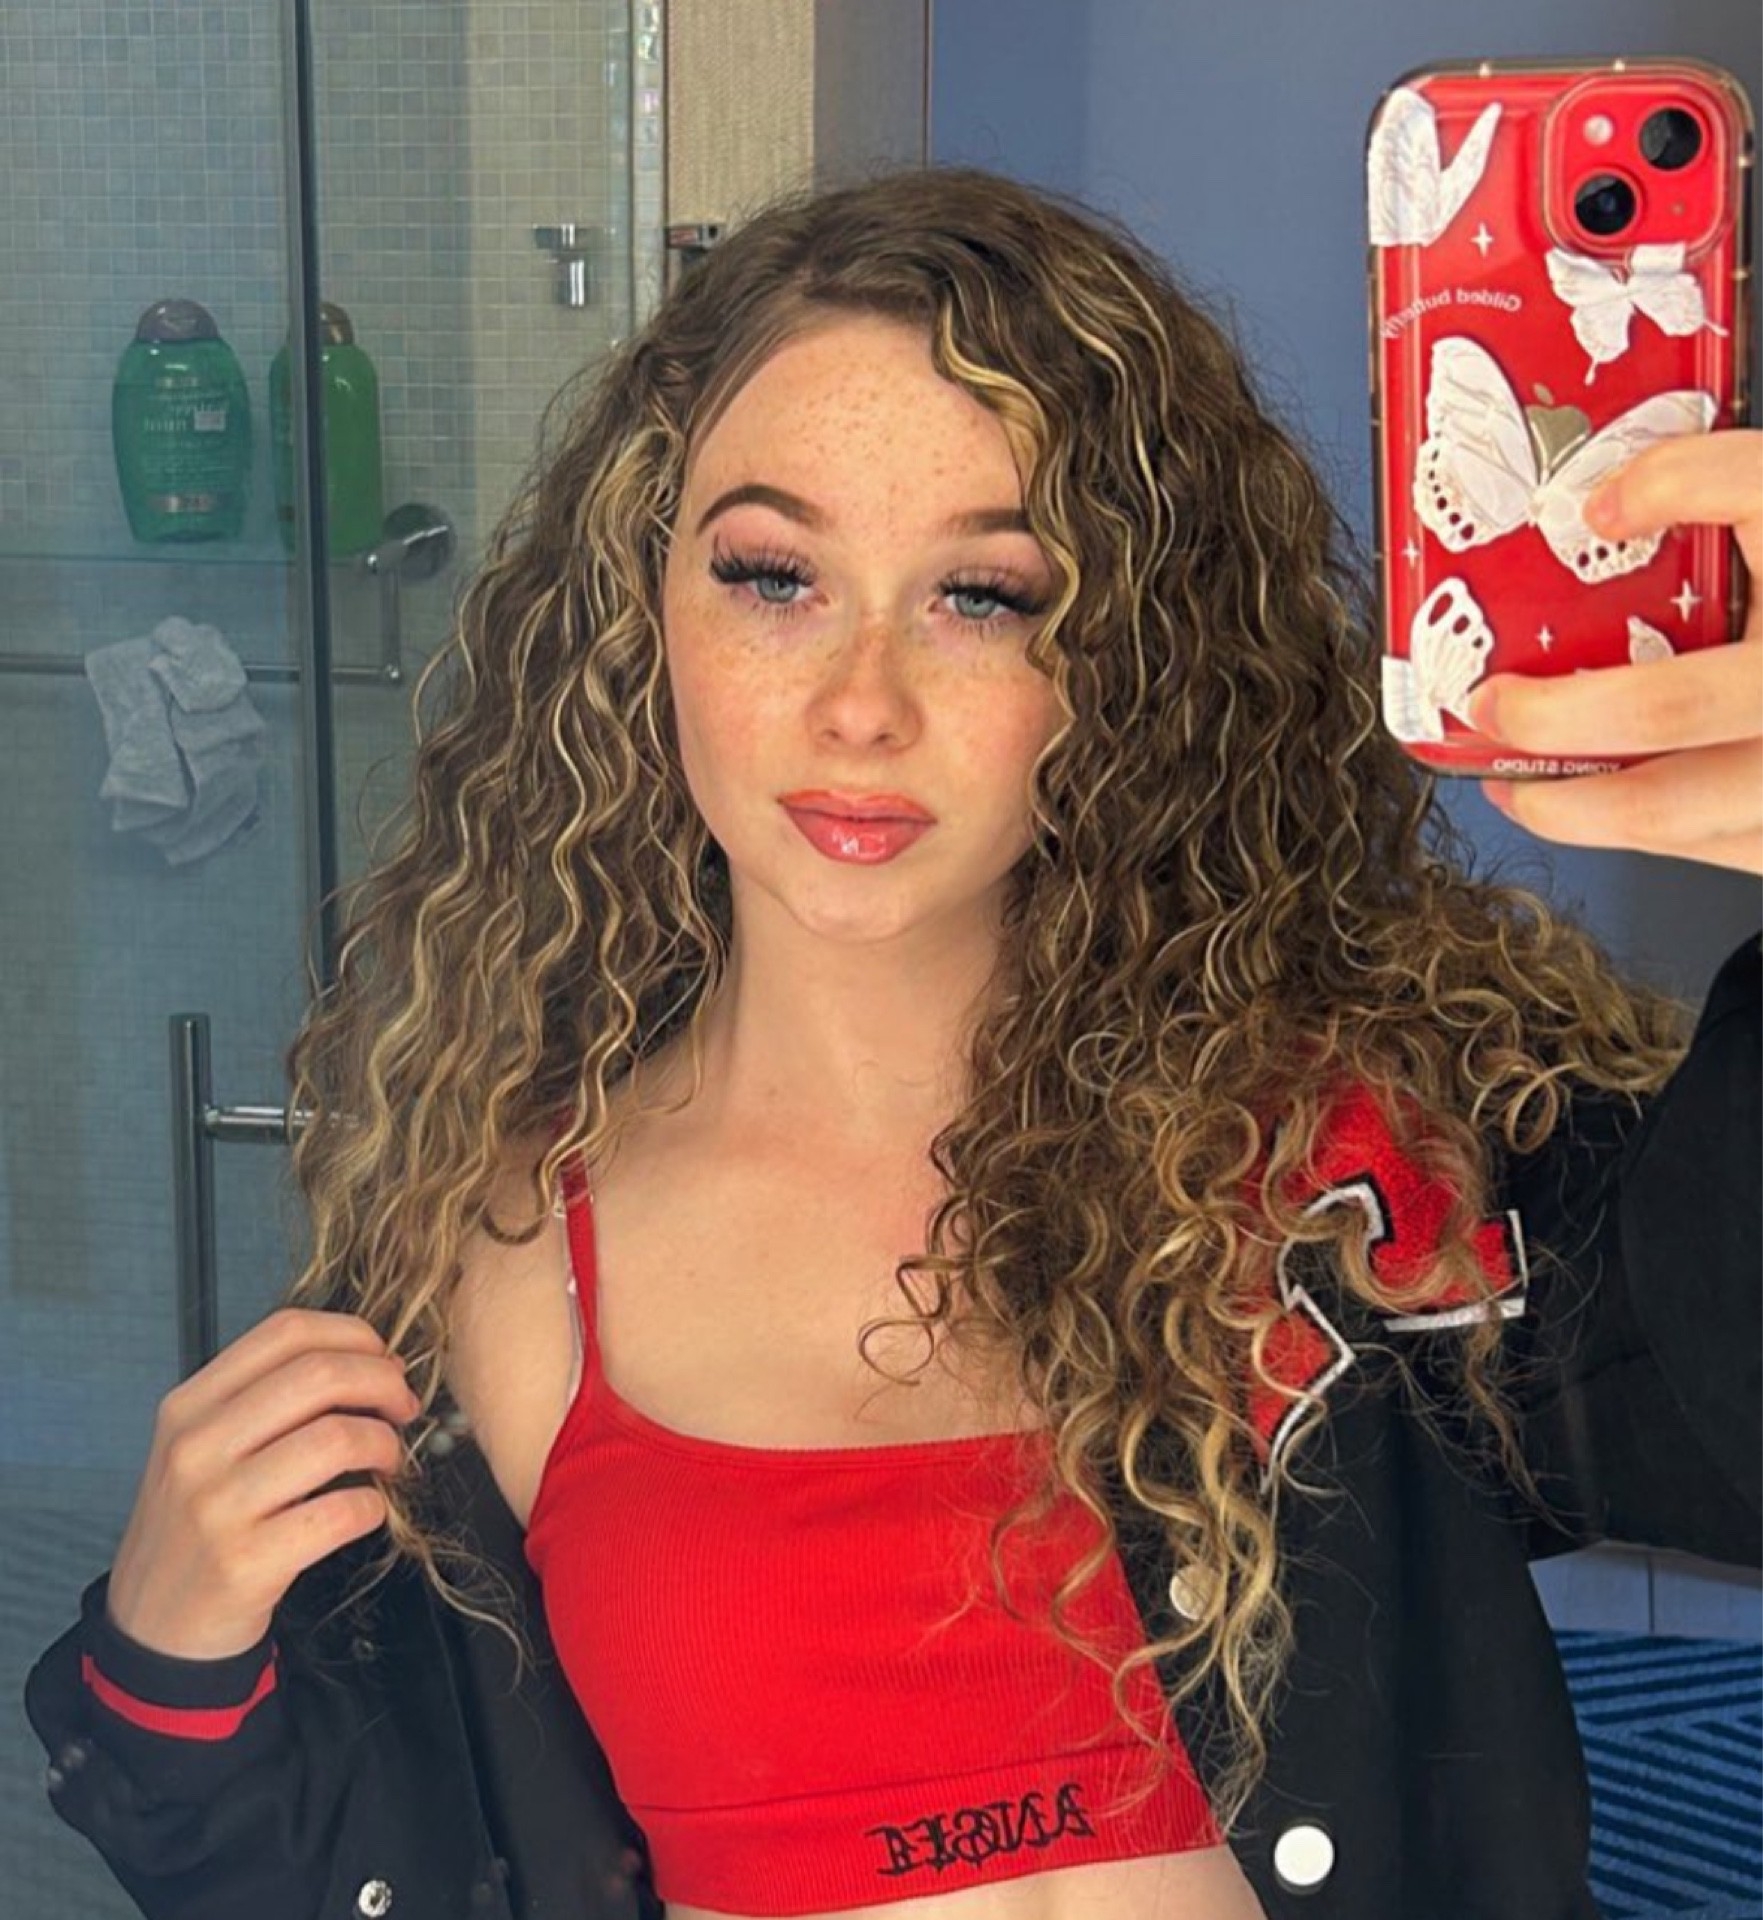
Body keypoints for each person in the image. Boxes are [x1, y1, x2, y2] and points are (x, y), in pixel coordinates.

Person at [24, 163, 1761, 1920]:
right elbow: (347, 1852)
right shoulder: (509, 1253)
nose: (862, 703)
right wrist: (167, 1667)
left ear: (1132, 657)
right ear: (645, 610)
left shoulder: (1352, 1169)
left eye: (983, 596)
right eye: (774, 577)